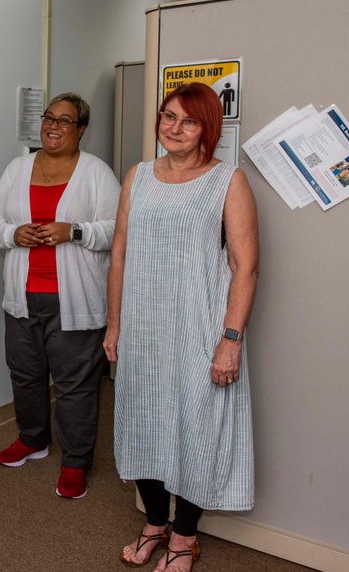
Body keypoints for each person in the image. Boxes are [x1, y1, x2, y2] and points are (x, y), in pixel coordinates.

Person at [104, 82, 259, 571]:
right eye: (169, 116)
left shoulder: (227, 180)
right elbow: (120, 253)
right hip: (143, 328)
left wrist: (230, 341)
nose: (175, 128)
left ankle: (185, 538)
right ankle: (155, 524)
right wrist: (114, 326)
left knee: (195, 429)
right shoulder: (138, 177)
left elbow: (246, 265)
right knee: (144, 422)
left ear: (206, 129)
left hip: (200, 328)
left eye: (188, 121)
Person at [0, 93, 120, 499]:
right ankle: (33, 439)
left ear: (80, 130)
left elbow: (116, 228)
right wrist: (12, 233)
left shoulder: (96, 172)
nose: (53, 126)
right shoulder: (18, 167)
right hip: (22, 297)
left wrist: (73, 231)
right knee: (25, 375)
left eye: (65, 120)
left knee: (75, 385)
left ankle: (76, 460)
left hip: (75, 302)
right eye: (49, 118)